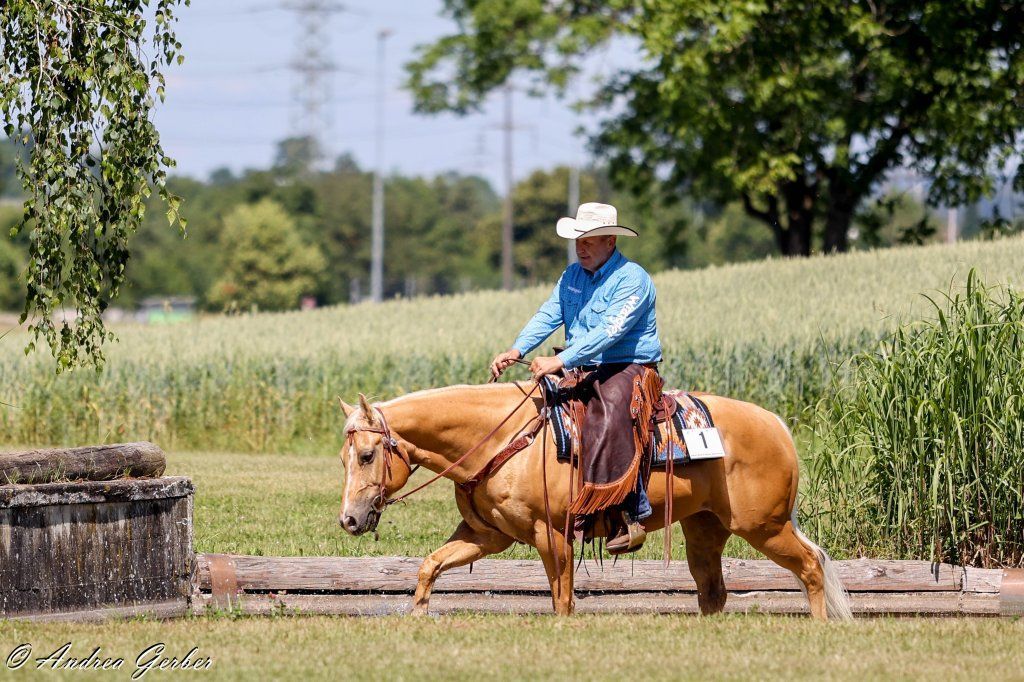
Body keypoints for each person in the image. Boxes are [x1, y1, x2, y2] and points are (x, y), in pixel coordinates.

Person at [489, 202, 663, 554]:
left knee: (610, 413)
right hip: (580, 366)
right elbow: (548, 314)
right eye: (577, 239)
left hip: (627, 366)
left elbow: (610, 332)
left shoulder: (633, 280)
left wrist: (561, 360)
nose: (580, 247)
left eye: (589, 239)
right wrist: (517, 350)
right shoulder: (571, 276)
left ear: (611, 240)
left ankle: (629, 512)